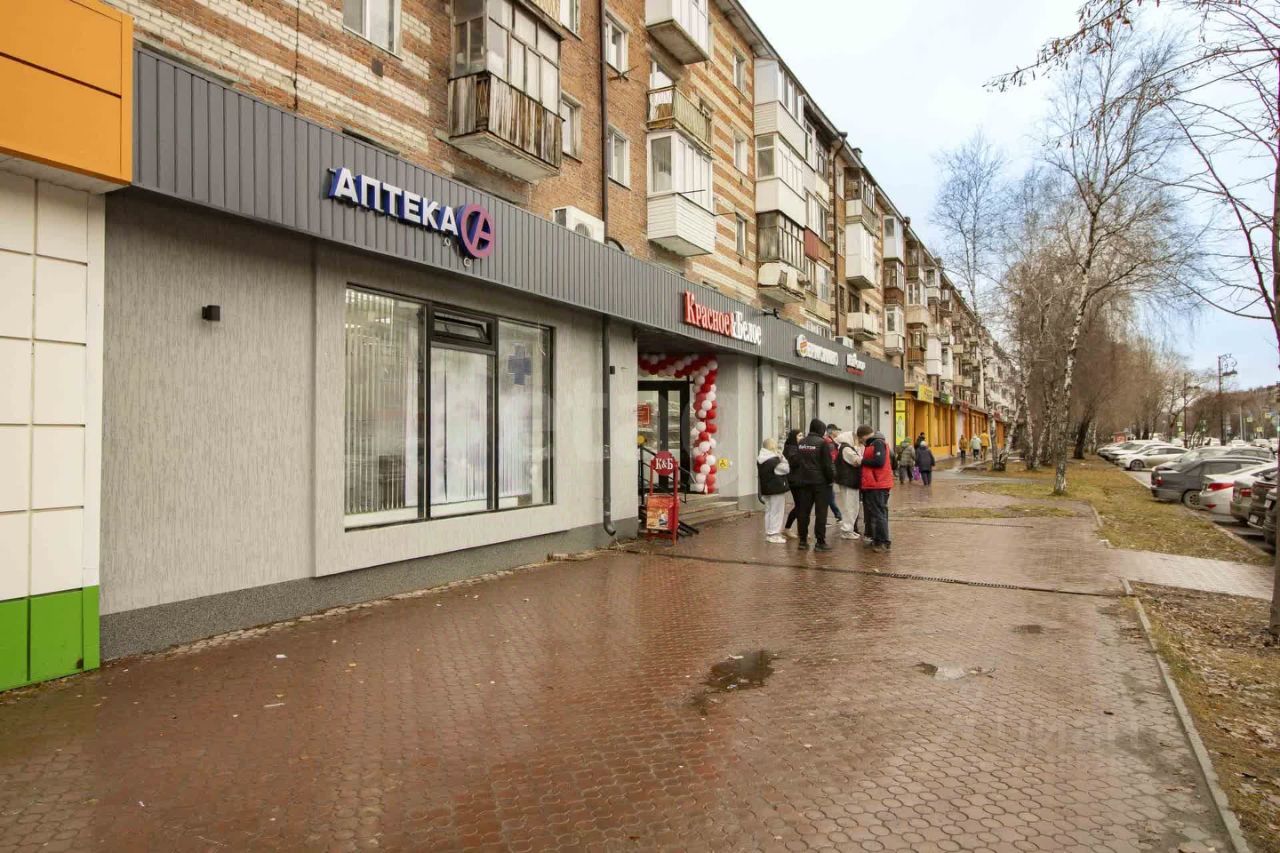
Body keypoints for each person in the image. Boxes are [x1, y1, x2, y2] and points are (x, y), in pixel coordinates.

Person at [785, 418, 835, 551]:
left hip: (803, 482)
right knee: (821, 513)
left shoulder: (801, 443)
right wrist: (831, 479)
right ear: (821, 430)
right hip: (820, 483)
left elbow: (796, 461)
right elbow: (827, 465)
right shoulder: (822, 443)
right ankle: (820, 542)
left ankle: (802, 541)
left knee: (803, 512)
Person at [858, 425, 893, 552]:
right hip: (875, 484)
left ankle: (883, 542)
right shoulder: (875, 443)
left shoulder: (877, 443)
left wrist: (862, 461)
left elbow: (879, 462)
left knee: (879, 514)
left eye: (860, 439)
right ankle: (878, 539)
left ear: (863, 436)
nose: (861, 442)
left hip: (877, 485)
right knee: (878, 513)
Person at [757, 438, 791, 544]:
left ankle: (769, 533)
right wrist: (782, 458)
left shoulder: (761, 458)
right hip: (776, 488)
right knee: (777, 511)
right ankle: (774, 534)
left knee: (769, 511)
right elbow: (786, 469)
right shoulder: (774, 460)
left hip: (766, 488)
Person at [833, 428, 863, 539]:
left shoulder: (844, 448)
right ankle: (847, 530)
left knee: (852, 505)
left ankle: (849, 529)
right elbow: (856, 461)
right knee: (850, 505)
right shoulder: (846, 449)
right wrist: (860, 454)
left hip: (849, 480)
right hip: (849, 481)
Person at [782, 429, 803, 538]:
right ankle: (787, 528)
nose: (802, 438)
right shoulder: (791, 448)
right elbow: (794, 462)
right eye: (799, 436)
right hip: (795, 480)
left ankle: (801, 530)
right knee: (800, 505)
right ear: (794, 437)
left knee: (801, 505)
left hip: (799, 479)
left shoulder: (796, 447)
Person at [824, 424, 844, 524]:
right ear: (832, 431)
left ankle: (838, 515)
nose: (838, 432)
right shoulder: (829, 443)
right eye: (837, 430)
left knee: (829, 496)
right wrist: (833, 474)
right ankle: (837, 516)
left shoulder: (831, 442)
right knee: (829, 496)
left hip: (828, 473)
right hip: (828, 474)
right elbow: (831, 460)